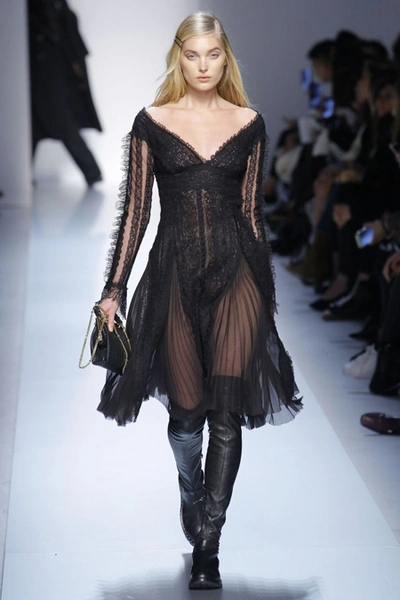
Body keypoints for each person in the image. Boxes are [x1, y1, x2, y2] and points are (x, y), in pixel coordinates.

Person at [96, 12, 302, 590]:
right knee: (186, 417)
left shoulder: (249, 123)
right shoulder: (152, 123)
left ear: (225, 56)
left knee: (225, 415)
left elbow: (252, 215)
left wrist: (266, 295)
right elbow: (135, 214)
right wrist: (114, 289)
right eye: (193, 55)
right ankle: (193, 495)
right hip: (174, 278)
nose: (203, 66)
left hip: (237, 276)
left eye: (213, 55)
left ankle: (209, 543)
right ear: (178, 57)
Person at [29, 0, 103, 186]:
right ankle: (92, 171)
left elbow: (65, 34)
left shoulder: (55, 5)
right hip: (47, 70)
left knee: (40, 124)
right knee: (48, 123)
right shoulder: (40, 7)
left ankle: (92, 172)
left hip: (54, 69)